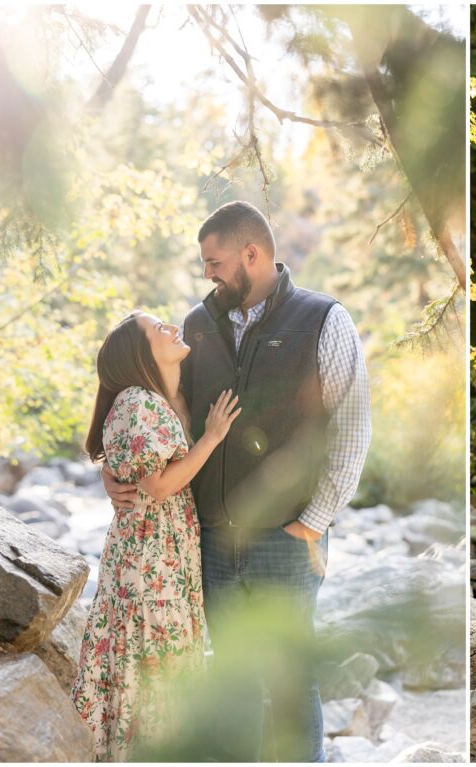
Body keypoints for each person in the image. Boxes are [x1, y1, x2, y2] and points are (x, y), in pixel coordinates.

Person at [101, 201, 371, 762]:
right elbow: (156, 411)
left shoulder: (323, 318)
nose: (207, 274)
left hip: (286, 539)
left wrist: (312, 523)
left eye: (215, 261)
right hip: (212, 544)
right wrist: (113, 471)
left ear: (253, 254)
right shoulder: (199, 326)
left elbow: (351, 428)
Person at [71, 311, 241, 761]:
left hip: (165, 561)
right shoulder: (137, 402)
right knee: (151, 669)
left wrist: (111, 472)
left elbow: (135, 466)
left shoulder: (166, 399)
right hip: (149, 566)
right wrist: (213, 436)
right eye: (157, 329)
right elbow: (158, 485)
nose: (170, 327)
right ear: (140, 354)